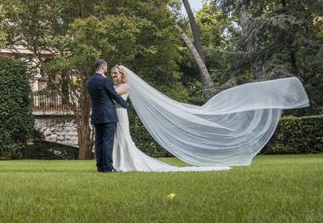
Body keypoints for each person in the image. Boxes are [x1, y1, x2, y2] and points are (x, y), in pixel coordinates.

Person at [109, 65, 310, 171]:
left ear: (123, 76)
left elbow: (115, 96)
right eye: (113, 74)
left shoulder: (125, 86)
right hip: (113, 115)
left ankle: (126, 161)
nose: (114, 77)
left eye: (116, 74)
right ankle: (117, 161)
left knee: (124, 137)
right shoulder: (112, 85)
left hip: (120, 115)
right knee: (119, 139)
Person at [86, 59, 128, 172]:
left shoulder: (89, 82)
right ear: (103, 67)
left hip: (96, 115)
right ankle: (108, 167)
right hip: (108, 114)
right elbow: (113, 94)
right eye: (106, 67)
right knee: (107, 142)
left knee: (99, 142)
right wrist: (124, 104)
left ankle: (100, 166)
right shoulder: (104, 81)